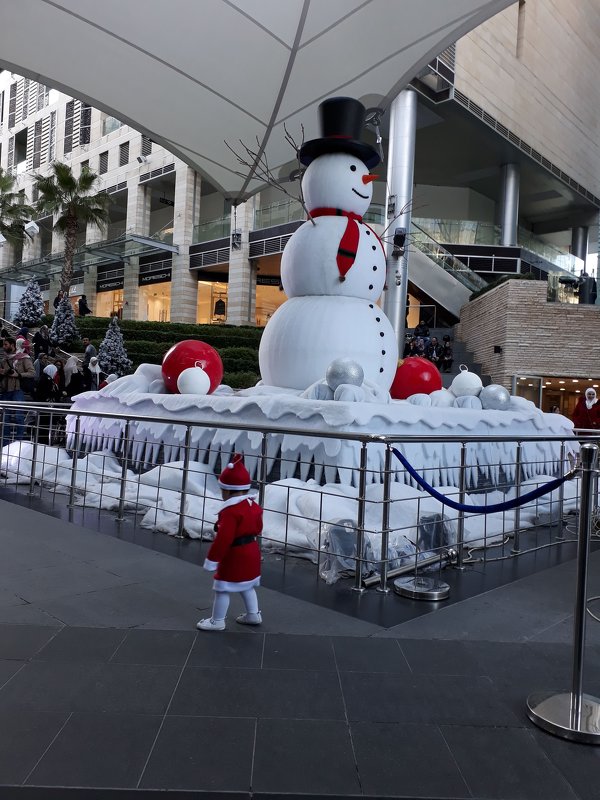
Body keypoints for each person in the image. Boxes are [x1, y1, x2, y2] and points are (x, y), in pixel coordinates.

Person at [197, 454, 263, 631]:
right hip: (252, 551)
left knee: (223, 588)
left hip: (236, 555)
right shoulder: (254, 506)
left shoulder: (230, 511)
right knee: (247, 586)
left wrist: (212, 560)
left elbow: (223, 539)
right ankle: (253, 614)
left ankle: (217, 621)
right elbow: (258, 528)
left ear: (227, 490)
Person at [0, 337, 35, 443]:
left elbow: (32, 372)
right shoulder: (4, 360)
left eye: (6, 344)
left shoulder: (24, 358)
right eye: (3, 345)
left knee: (19, 416)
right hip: (5, 391)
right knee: (5, 419)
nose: (4, 347)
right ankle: (5, 445)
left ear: (13, 345)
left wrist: (18, 374)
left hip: (18, 390)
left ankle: (18, 443)